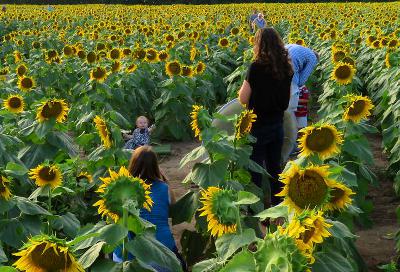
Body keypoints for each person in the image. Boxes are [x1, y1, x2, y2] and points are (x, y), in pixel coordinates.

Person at [238, 28, 293, 208]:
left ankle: (256, 209)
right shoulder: (287, 67)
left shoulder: (255, 67)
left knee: (254, 171)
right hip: (277, 124)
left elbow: (243, 98)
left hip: (257, 126)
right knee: (274, 168)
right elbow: (286, 100)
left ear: (259, 44)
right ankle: (277, 209)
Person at [113, 146, 186, 271]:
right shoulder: (165, 188)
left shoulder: (122, 189)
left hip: (128, 257)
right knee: (181, 265)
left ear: (133, 163)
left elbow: (114, 218)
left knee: (114, 248)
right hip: (162, 253)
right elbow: (172, 211)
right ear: (156, 165)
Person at [285, 44, 318, 114]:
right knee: (294, 88)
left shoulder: (302, 49)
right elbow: (302, 80)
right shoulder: (313, 58)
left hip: (277, 57)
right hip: (291, 63)